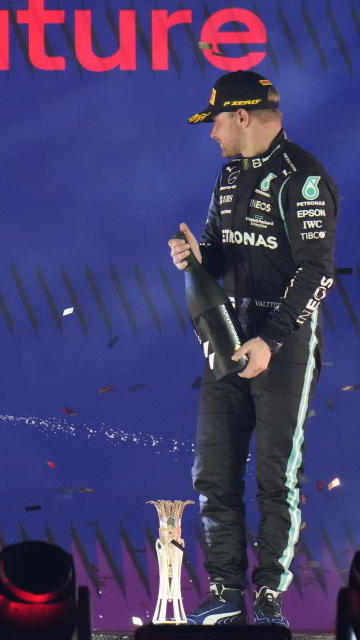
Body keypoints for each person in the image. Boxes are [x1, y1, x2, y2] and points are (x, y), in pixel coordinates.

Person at [169, 71, 338, 626]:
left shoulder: (303, 177)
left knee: (274, 475)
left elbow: (318, 271)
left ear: (242, 116)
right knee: (212, 472)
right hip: (228, 338)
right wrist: (197, 256)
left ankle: (268, 599)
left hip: (282, 344)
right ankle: (224, 592)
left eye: (216, 120)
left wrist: (271, 338)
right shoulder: (228, 175)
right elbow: (219, 253)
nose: (212, 132)